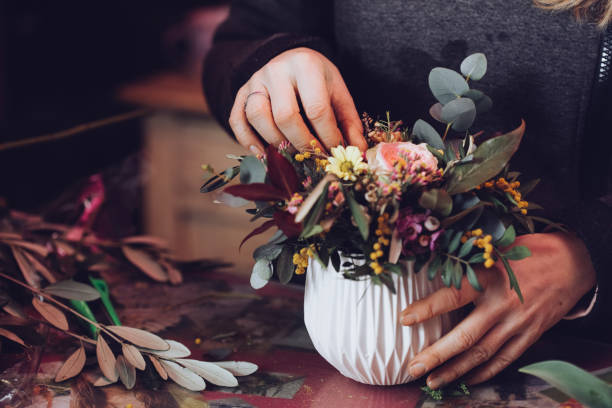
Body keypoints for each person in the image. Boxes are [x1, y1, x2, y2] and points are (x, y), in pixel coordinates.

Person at [203, 0, 611, 389]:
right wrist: (274, 64)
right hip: (334, 336)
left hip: (578, 354)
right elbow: (241, 40)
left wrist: (591, 248)